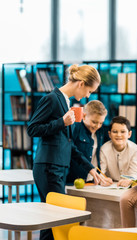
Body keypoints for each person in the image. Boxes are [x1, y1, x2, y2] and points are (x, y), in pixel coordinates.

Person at [27, 64, 105, 240]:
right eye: (89, 91)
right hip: (49, 167)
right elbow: (32, 129)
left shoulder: (66, 102)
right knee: (55, 221)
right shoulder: (52, 99)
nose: (88, 96)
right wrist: (61, 122)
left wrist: (90, 168)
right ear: (81, 84)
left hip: (58, 167)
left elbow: (68, 144)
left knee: (53, 222)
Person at [66, 100, 110, 184]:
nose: (97, 126)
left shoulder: (100, 132)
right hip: (73, 180)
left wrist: (102, 176)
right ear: (84, 116)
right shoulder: (75, 128)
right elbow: (72, 152)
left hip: (92, 180)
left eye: (101, 123)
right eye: (94, 122)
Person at [99, 116, 137, 187]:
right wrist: (102, 180)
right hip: (110, 186)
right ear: (109, 134)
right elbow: (101, 172)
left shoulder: (135, 149)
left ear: (129, 134)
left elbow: (134, 174)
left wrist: (129, 180)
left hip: (129, 186)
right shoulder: (104, 149)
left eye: (123, 132)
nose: (118, 135)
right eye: (115, 132)